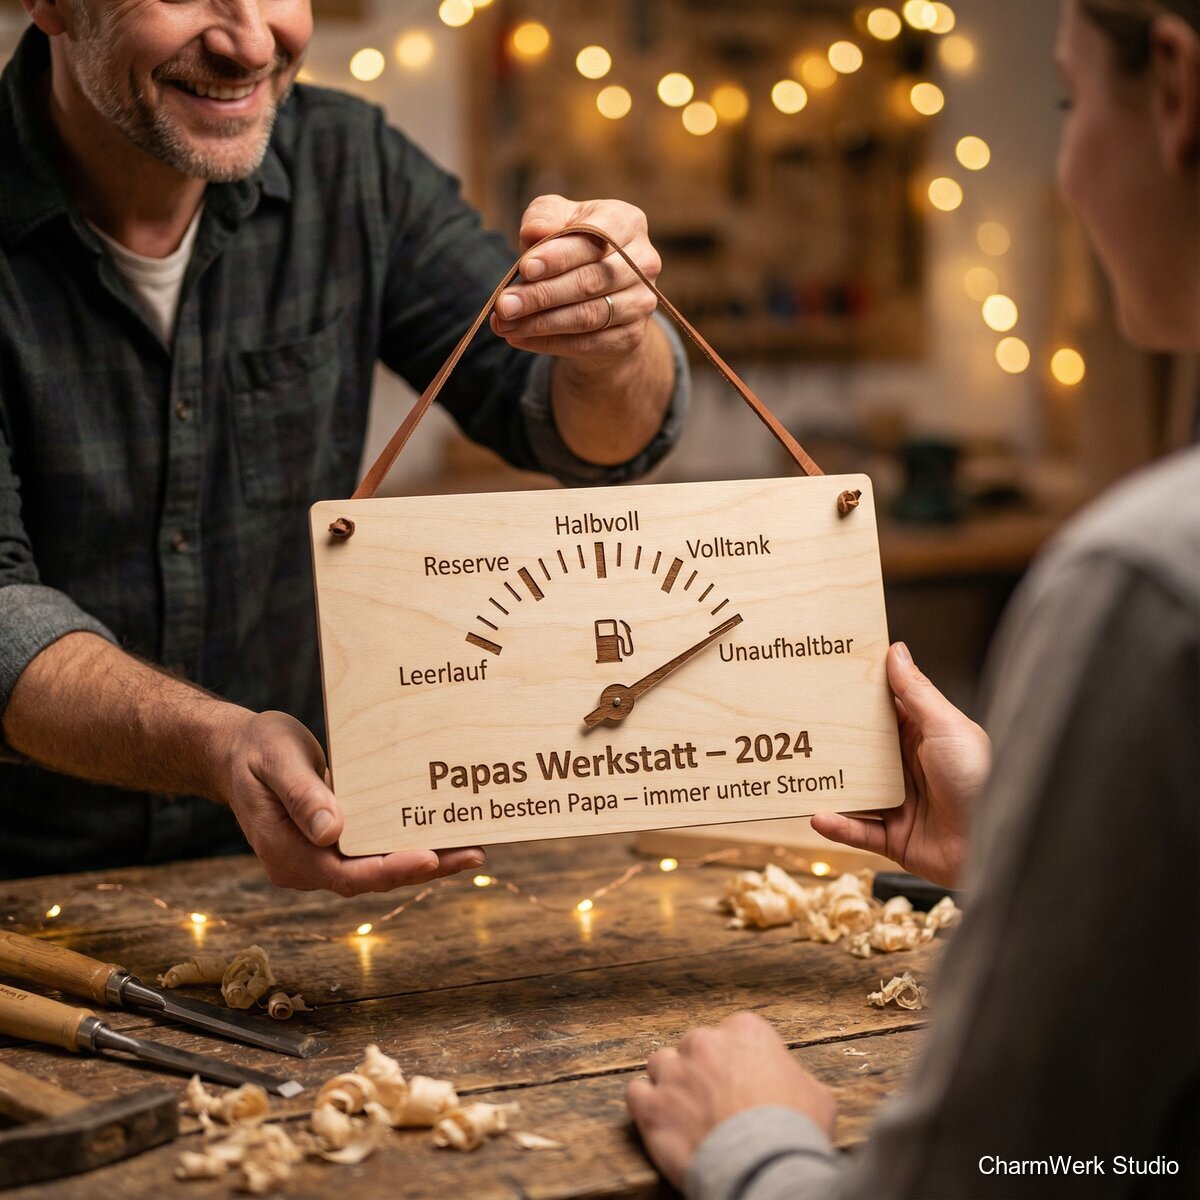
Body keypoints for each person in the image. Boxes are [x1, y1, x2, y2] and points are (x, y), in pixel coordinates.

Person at [627, 1, 1200, 1196]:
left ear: (1177, 93)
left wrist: (753, 1138)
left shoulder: (1144, 581)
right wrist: (1025, 840)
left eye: (1067, 101)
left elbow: (1012, 1173)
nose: (1068, 165)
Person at [0, 2, 688, 893]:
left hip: (298, 888)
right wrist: (220, 747)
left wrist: (612, 340)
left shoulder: (353, 166)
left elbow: (583, 438)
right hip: (23, 893)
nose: (249, 41)